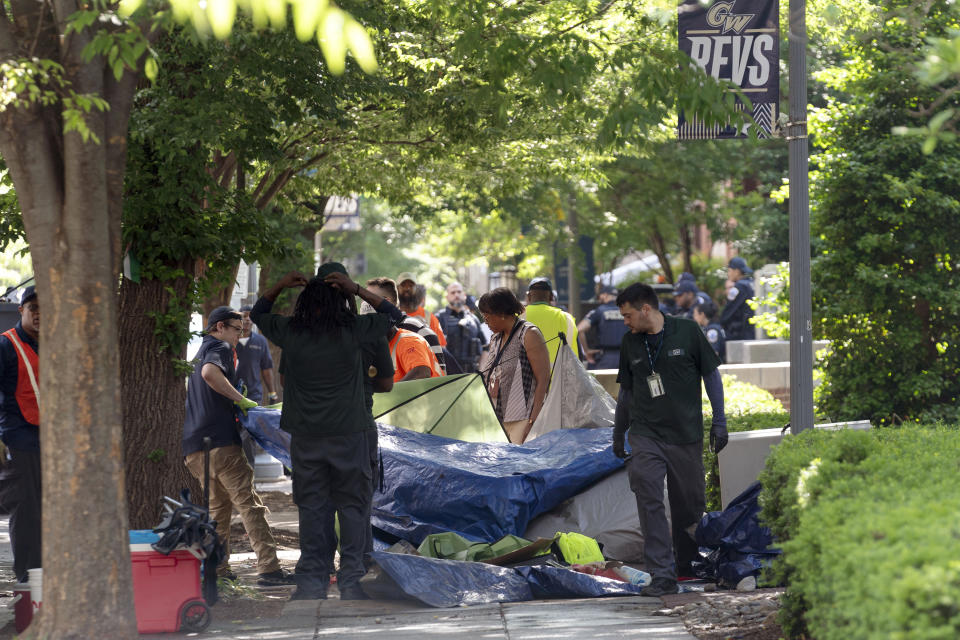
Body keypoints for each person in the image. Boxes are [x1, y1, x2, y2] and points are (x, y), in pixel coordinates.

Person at [251, 265, 404, 600]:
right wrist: (358, 289)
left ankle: (312, 582)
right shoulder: (356, 330)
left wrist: (280, 282)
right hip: (350, 432)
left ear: (306, 300)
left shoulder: (291, 331)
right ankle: (351, 582)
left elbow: (258, 313)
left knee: (313, 506)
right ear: (344, 298)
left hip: (306, 437)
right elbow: (396, 315)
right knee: (352, 506)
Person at [612, 283, 727, 597]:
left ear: (646, 308)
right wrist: (618, 432)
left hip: (685, 435)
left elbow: (711, 375)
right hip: (645, 434)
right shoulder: (630, 342)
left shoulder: (688, 331)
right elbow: (626, 392)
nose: (625, 322)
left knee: (689, 507)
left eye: (628, 315)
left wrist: (719, 420)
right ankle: (661, 575)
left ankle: (687, 566)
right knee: (648, 497)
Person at [182, 305, 294, 586]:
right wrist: (239, 399)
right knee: (250, 506)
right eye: (236, 329)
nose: (239, 335)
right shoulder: (218, 349)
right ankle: (269, 569)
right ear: (218, 326)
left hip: (195, 448)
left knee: (218, 510)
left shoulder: (198, 352)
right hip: (221, 442)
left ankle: (218, 570)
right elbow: (210, 373)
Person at [0, 286, 41, 582]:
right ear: (21, 310)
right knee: (26, 508)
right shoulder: (5, 345)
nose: (40, 314)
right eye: (33, 307)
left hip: (53, 441)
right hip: (18, 438)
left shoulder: (56, 344)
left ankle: (47, 574)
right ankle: (27, 578)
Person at [477, 288, 550, 444]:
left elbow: (543, 380)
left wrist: (533, 422)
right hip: (497, 417)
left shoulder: (529, 333)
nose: (486, 322)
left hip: (523, 419)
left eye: (487, 317)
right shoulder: (496, 337)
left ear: (501, 313)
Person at [365, 278, 443, 381]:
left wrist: (391, 395)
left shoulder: (409, 338)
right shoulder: (375, 345)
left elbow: (421, 372)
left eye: (371, 298)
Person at [523, 277, 580, 365]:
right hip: (560, 377)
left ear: (528, 296)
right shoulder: (567, 318)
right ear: (552, 297)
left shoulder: (518, 318)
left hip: (528, 377)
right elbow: (576, 355)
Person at [436, 282, 486, 373]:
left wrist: (481, 370)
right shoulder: (438, 318)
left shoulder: (474, 319)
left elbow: (485, 347)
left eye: (459, 292)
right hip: (448, 377)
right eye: (453, 292)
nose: (456, 295)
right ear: (447, 297)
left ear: (464, 296)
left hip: (471, 376)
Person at [577, 285, 627, 370]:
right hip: (627, 358)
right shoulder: (626, 311)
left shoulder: (599, 311)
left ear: (605, 295)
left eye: (600, 295)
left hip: (606, 359)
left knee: (603, 383)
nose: (599, 298)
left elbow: (579, 329)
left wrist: (587, 351)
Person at [236, 305, 278, 405]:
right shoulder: (230, 340)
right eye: (244, 316)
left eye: (250, 317)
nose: (247, 319)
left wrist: (272, 393)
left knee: (253, 421)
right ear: (238, 319)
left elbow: (266, 368)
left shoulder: (260, 341)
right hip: (231, 392)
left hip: (254, 395)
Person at [396, 272, 447, 347]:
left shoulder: (429, 318)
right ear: (397, 288)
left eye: (411, 285)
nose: (407, 288)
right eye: (403, 285)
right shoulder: (389, 315)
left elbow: (441, 348)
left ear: (416, 289)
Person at [720, 257, 755, 341]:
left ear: (736, 271)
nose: (728, 274)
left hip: (742, 335)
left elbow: (728, 311)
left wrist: (721, 323)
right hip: (753, 331)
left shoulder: (739, 287)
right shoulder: (752, 283)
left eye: (729, 270)